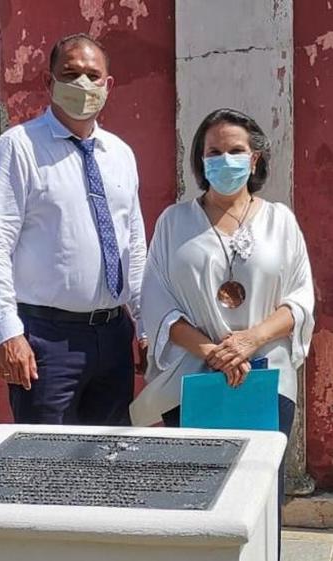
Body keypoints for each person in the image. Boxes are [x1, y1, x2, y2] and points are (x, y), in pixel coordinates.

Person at [130, 108, 314, 558]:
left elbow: (300, 299)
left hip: (265, 379)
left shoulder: (280, 221)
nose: (225, 159)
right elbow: (157, 301)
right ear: (200, 161)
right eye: (214, 152)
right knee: (196, 493)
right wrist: (213, 350)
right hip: (195, 378)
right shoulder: (174, 222)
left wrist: (249, 341)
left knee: (258, 493)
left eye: (236, 150)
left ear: (255, 160)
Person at [0, 33, 147, 426]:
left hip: (113, 335)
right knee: (45, 468)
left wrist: (145, 326)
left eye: (92, 75)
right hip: (46, 341)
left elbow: (133, 245)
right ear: (49, 83)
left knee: (108, 461)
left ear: (108, 85)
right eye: (69, 74)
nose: (82, 84)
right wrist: (6, 334)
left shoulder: (120, 153)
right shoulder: (17, 149)